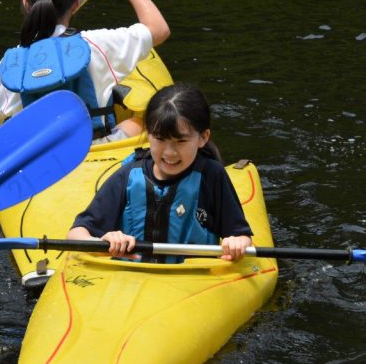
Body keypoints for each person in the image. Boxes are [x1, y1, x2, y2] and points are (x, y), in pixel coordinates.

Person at [68, 83, 254, 262]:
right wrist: (102, 242)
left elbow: (241, 235)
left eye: (180, 142)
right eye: (160, 139)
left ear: (203, 138)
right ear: (148, 134)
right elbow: (76, 234)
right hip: (130, 282)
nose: (169, 152)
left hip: (192, 283)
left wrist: (237, 242)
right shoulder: (128, 176)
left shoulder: (212, 176)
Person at [0, 0, 170, 143]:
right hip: (95, 147)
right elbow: (159, 29)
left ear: (26, 3)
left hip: (37, 157)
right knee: (139, 122)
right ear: (75, 3)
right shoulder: (97, 44)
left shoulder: (14, 62)